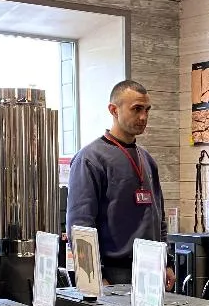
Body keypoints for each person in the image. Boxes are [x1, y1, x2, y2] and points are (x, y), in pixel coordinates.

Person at [67, 80, 175, 289]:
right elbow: (80, 225)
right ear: (113, 110)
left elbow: (158, 218)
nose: (143, 117)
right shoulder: (90, 159)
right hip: (112, 275)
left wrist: (166, 261)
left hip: (151, 272)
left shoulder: (147, 160)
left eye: (147, 110)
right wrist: (94, 277)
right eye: (136, 109)